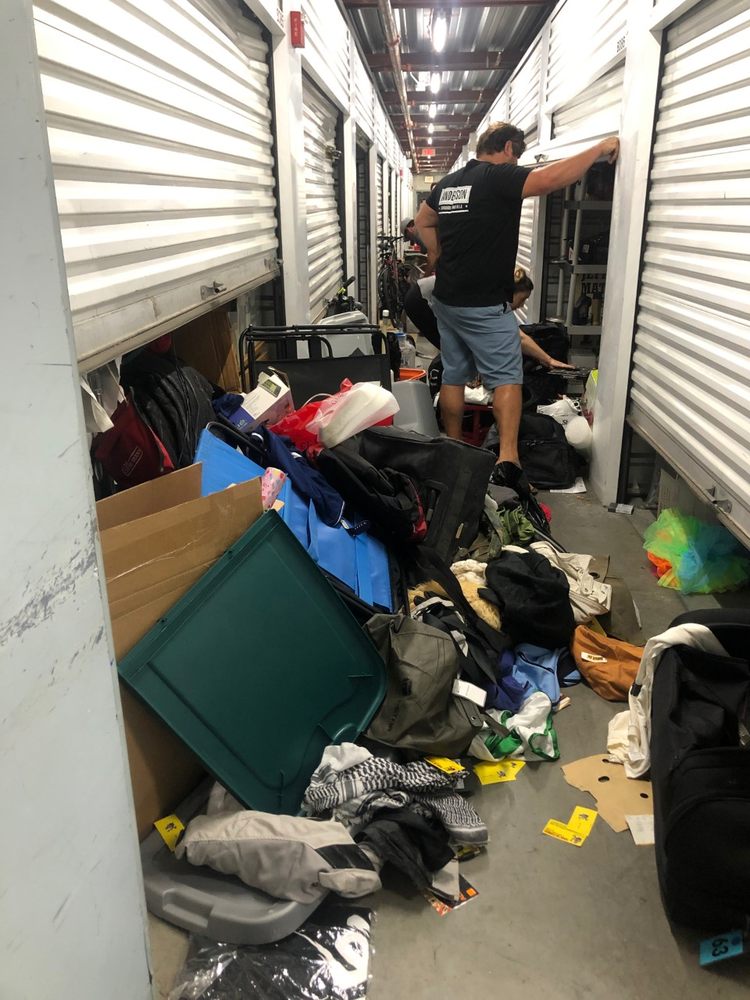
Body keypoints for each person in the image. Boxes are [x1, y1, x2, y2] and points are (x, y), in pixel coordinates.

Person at [414, 122, 619, 496]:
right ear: (508, 148)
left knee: (454, 375)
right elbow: (548, 180)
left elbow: (423, 221)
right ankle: (508, 461)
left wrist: (436, 251)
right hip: (483, 302)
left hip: (447, 299)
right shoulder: (498, 176)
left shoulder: (450, 183)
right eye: (518, 155)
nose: (517, 163)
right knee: (507, 378)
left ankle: (455, 449)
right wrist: (597, 150)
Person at [403, 266, 575, 369]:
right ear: (511, 292)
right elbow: (518, 337)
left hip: (431, 298)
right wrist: (548, 359)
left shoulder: (495, 296)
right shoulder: (492, 299)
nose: (522, 305)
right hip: (420, 300)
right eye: (522, 299)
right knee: (455, 352)